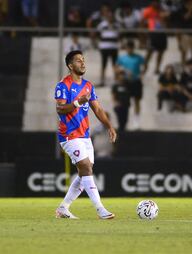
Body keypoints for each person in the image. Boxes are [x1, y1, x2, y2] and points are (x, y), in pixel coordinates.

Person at [54, 50, 117, 220]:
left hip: (84, 136)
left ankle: (63, 208)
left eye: (83, 60)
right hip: (69, 135)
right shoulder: (63, 85)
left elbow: (97, 109)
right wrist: (77, 102)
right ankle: (100, 210)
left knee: (84, 174)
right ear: (70, 66)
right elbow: (60, 108)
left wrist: (109, 126)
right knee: (86, 167)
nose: (83, 63)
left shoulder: (88, 86)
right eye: (78, 60)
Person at [115, 40, 146, 130]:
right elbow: (116, 68)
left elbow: (145, 65)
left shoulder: (138, 57)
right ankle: (125, 121)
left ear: (133, 48)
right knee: (125, 102)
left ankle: (136, 121)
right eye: (128, 48)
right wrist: (121, 71)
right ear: (126, 48)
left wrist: (142, 73)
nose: (129, 50)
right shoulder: (122, 58)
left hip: (136, 81)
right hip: (126, 82)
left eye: (131, 48)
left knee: (137, 101)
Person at [142, 0, 170, 74]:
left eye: (157, 2)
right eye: (154, 1)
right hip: (153, 33)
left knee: (161, 52)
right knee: (149, 52)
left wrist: (165, 17)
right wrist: (145, 34)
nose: (156, 3)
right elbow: (142, 22)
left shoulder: (163, 10)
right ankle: (144, 67)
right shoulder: (147, 10)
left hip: (162, 33)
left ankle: (157, 69)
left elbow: (167, 21)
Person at [97, 9, 121, 87]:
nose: (110, 17)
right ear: (107, 17)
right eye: (109, 16)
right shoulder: (102, 25)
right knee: (104, 64)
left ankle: (116, 81)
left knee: (115, 65)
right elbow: (97, 33)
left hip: (114, 47)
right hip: (104, 47)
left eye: (111, 16)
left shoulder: (117, 25)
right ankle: (102, 81)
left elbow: (120, 35)